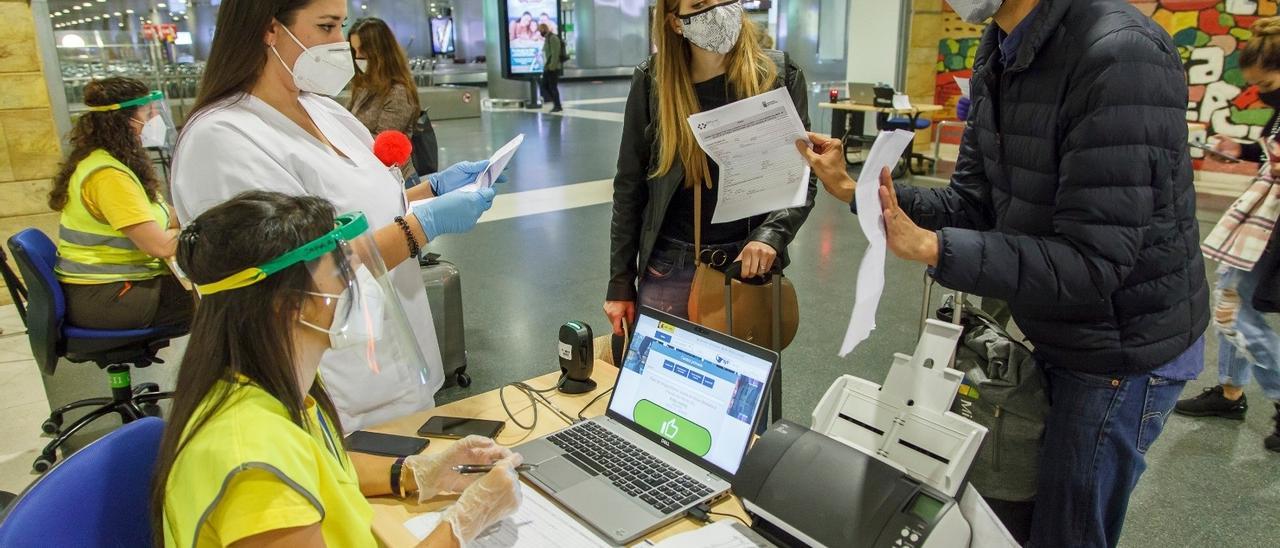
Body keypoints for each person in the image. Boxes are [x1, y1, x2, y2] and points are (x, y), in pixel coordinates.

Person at [796, 0, 1208, 546]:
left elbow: (1096, 260)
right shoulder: (1000, 47)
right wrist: (857, 191)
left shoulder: (1120, 54)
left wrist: (936, 249)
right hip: (1052, 327)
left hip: (1120, 347)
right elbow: (975, 203)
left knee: (1068, 531)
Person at [171, 0, 504, 431]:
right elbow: (294, 273)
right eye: (326, 27)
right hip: (334, 380)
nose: (340, 44)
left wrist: (431, 190)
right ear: (269, 30)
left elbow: (362, 209)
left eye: (341, 26)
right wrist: (424, 226)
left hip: (396, 348)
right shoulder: (222, 139)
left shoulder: (323, 110)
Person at [151, 191, 522, 548]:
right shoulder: (252, 462)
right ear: (289, 305)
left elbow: (325, 469)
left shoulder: (272, 383)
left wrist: (420, 472)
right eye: (343, 270)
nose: (357, 285)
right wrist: (463, 524)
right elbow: (285, 477)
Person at [605, 0, 816, 337]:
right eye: (700, 4)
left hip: (747, 267)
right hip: (669, 266)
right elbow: (630, 187)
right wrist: (619, 283)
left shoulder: (778, 76)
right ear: (676, 22)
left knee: (740, 387)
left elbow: (803, 174)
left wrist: (771, 237)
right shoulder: (653, 81)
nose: (718, 9)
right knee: (661, 383)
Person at [1175, 17, 1280, 454]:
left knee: (1233, 310)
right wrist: (1245, 149)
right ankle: (1231, 392)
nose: (1264, 91)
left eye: (1268, 82)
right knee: (1230, 294)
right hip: (1263, 216)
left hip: (1273, 224)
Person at [48, 77, 192, 332]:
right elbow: (159, 245)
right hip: (107, 296)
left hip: (109, 288)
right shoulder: (108, 176)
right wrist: (201, 236)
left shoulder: (113, 162)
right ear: (125, 121)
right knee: (222, 300)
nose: (154, 119)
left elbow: (164, 215)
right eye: (148, 112)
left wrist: (200, 217)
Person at [349, 18, 421, 181]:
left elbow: (382, 146)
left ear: (380, 51)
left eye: (362, 50)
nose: (358, 57)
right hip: (374, 177)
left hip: (397, 181)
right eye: (354, 51)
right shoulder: (365, 87)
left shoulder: (398, 92)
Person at [538, 23, 564, 113]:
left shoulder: (553, 38)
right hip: (547, 67)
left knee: (552, 86)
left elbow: (555, 53)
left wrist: (552, 66)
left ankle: (557, 105)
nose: (540, 32)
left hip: (552, 67)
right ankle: (555, 103)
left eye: (540, 30)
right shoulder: (547, 39)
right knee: (544, 85)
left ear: (544, 29)